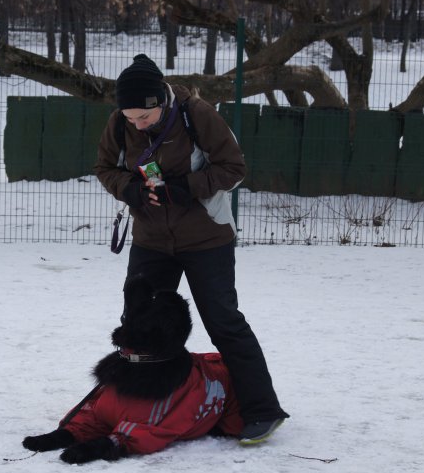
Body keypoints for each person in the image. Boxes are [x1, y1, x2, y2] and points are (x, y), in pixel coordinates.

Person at [94, 53, 289, 445]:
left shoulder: (196, 114)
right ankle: (142, 404)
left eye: (143, 117)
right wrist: (131, 189)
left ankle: (262, 410)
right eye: (130, 118)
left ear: (160, 102)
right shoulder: (119, 123)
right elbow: (105, 169)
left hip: (207, 238)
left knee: (224, 322)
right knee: (138, 322)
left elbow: (233, 168)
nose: (137, 124)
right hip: (151, 239)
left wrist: (186, 188)